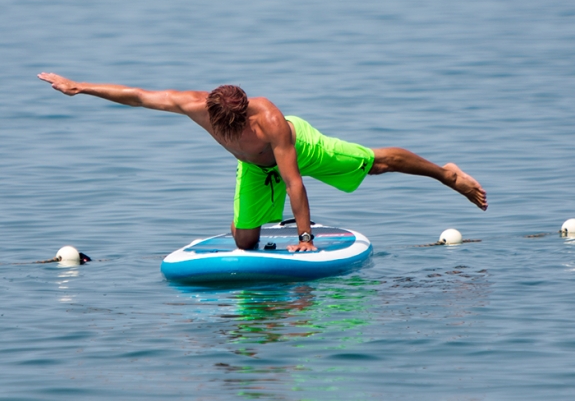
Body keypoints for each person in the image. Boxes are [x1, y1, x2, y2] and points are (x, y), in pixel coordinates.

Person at [37, 72, 488, 252]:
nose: (227, 133)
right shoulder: (194, 105)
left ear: (246, 113)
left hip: (297, 148)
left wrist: (306, 236)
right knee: (244, 242)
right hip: (254, 168)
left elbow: (294, 181)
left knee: (375, 164)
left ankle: (445, 173)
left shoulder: (271, 121)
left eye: (235, 127)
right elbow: (136, 96)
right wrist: (79, 87)